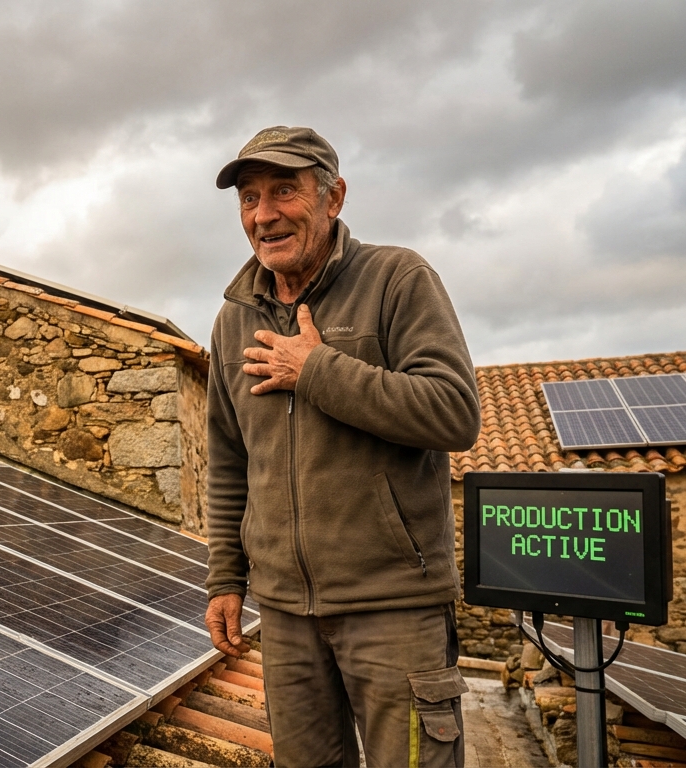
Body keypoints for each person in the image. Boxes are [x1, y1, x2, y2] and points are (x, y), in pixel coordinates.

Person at [203, 126, 482, 768]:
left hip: (395, 610)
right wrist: (226, 577)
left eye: (284, 191)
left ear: (334, 198)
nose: (264, 214)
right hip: (285, 617)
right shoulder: (233, 320)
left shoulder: (396, 279)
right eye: (248, 198)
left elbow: (454, 412)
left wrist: (319, 370)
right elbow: (228, 460)